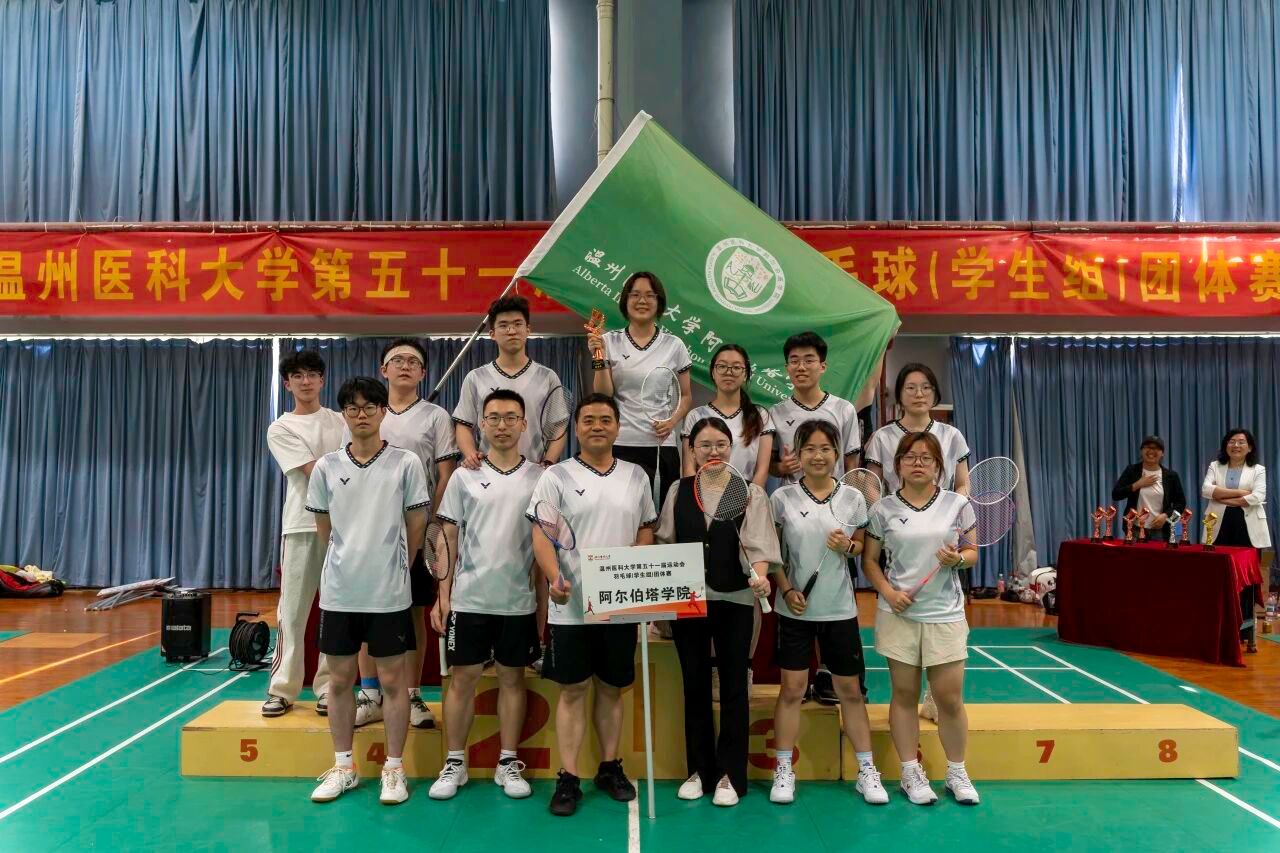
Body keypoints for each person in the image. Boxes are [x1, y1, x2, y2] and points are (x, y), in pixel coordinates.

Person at [527, 393, 657, 817]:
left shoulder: (636, 476)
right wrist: (554, 578)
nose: (597, 426)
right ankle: (568, 777)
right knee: (573, 690)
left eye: (605, 419)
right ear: (577, 428)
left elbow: (645, 528)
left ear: (618, 426)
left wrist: (635, 569)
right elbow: (542, 534)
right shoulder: (556, 476)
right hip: (570, 606)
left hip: (618, 603)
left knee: (611, 688)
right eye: (588, 420)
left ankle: (609, 767)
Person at [305, 377, 430, 805]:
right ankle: (344, 767)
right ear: (344, 414)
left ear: (382, 411)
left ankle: (394, 770)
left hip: (389, 593)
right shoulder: (326, 467)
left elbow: (416, 524)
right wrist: (349, 560)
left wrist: (395, 564)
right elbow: (325, 529)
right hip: (340, 592)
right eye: (353, 408)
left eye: (370, 406)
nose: (361, 414)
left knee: (394, 682)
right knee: (340, 681)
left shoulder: (405, 463)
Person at [429, 390, 543, 800]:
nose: (502, 425)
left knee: (513, 678)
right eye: (493, 417)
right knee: (463, 680)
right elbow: (447, 536)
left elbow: (546, 543)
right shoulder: (463, 477)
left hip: (518, 601)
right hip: (469, 599)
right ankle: (454, 762)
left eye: (511, 417)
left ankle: (507, 762)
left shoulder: (541, 477)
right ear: (481, 424)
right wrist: (443, 595)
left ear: (524, 424)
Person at [767, 419, 887, 807]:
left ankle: (866, 770)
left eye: (825, 449)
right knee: (792, 690)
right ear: (797, 454)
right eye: (809, 449)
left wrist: (847, 547)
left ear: (837, 454)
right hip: (795, 609)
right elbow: (774, 555)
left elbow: (863, 548)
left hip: (839, 609)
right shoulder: (782, 498)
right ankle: (783, 769)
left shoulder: (852, 498)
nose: (817, 456)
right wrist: (786, 589)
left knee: (849, 690)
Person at [657, 417, 776, 807]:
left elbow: (758, 546)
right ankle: (699, 771)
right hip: (689, 601)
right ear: (691, 451)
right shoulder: (678, 490)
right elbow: (666, 544)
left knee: (734, 687)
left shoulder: (750, 493)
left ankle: (730, 775)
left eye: (721, 444)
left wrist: (760, 576)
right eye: (705, 445)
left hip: (736, 599)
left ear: (732, 448)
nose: (713, 451)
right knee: (693, 685)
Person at [863, 431, 980, 806]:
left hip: (945, 614)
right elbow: (870, 561)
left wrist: (957, 560)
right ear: (897, 465)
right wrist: (888, 593)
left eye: (926, 458)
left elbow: (972, 552)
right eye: (910, 457)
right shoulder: (881, 510)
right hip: (899, 614)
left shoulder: (957, 505)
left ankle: (957, 771)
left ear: (938, 466)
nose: (918, 463)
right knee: (903, 694)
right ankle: (910, 772)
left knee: (949, 698)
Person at [349, 338, 459, 730]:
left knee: (413, 614)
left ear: (423, 373)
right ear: (384, 369)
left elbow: (445, 475)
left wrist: (431, 523)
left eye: (413, 361)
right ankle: (370, 694)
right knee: (367, 612)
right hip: (370, 533)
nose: (405, 366)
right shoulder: (369, 414)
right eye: (397, 360)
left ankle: (412, 696)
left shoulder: (436, 417)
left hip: (416, 530)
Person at [769, 331, 862, 706]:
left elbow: (853, 465)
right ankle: (802, 676)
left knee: (834, 595)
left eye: (809, 359)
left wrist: (849, 514)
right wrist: (781, 466)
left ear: (822, 366)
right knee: (797, 593)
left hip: (836, 514)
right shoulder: (776, 412)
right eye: (794, 360)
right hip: (795, 514)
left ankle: (830, 675)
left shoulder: (843, 409)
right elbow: (771, 464)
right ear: (787, 367)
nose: (801, 366)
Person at [262, 350, 346, 718]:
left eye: (312, 374)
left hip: (344, 527)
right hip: (300, 525)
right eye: (298, 376)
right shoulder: (281, 428)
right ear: (287, 384)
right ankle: (282, 689)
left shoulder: (341, 421)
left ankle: (329, 688)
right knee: (293, 611)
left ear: (322, 380)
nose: (306, 381)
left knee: (335, 608)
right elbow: (316, 472)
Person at [586, 271, 693, 492]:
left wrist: (672, 422)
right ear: (625, 301)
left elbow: (686, 396)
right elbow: (604, 396)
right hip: (620, 442)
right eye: (635, 295)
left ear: (659, 302)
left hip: (661, 445)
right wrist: (599, 356)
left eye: (649, 295)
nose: (642, 301)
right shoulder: (608, 341)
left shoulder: (674, 345)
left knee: (662, 510)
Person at [453, 295, 566, 468]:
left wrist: (548, 462)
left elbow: (558, 427)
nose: (511, 331)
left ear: (528, 330)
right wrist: (471, 455)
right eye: (504, 325)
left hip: (535, 471)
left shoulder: (548, 377)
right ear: (492, 334)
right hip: (487, 472)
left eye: (518, 324)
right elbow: (463, 425)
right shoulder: (475, 377)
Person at [1201, 428, 1270, 654]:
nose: (1236, 445)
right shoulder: (1215, 466)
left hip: (1247, 529)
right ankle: (1220, 628)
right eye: (1232, 441)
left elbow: (1258, 496)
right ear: (1225, 445)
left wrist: (1223, 496)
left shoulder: (1258, 469)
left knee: (1246, 582)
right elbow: (1206, 490)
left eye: (1241, 442)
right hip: (1218, 527)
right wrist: (1241, 493)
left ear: (1249, 447)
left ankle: (1245, 633)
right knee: (1219, 579)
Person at [864, 363, 970, 495]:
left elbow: (963, 484)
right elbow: (871, 485)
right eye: (910, 388)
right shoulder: (882, 436)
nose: (919, 394)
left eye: (926, 387)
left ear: (935, 393)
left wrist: (953, 505)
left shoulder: (952, 435)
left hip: (944, 507)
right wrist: (883, 508)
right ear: (899, 394)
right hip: (895, 507)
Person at [681, 344, 775, 487]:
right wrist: (696, 497)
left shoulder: (760, 415)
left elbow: (762, 470)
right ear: (713, 372)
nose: (728, 372)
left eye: (736, 367)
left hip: (747, 494)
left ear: (745, 374)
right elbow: (689, 468)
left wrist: (750, 496)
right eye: (722, 366)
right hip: (704, 495)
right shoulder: (695, 415)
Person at [1110, 435, 1188, 543]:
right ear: (1141, 451)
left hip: (1161, 531)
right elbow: (1116, 494)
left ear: (1162, 453)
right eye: (1147, 447)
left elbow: (1181, 503)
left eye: (1156, 448)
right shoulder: (1132, 470)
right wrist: (1137, 485)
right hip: (1135, 529)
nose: (1151, 451)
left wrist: (1166, 516)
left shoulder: (1171, 476)